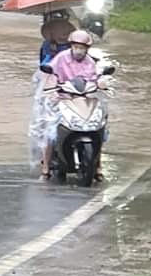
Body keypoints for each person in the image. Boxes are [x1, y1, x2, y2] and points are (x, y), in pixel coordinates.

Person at [39, 30, 103, 179]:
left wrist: (101, 84)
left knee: (100, 128)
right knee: (51, 130)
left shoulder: (90, 62)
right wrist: (52, 90)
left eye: (82, 47)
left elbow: (96, 78)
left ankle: (98, 165)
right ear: (71, 46)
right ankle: (46, 165)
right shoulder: (61, 58)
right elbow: (51, 74)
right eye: (76, 47)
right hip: (63, 98)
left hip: (84, 98)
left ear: (87, 48)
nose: (79, 50)